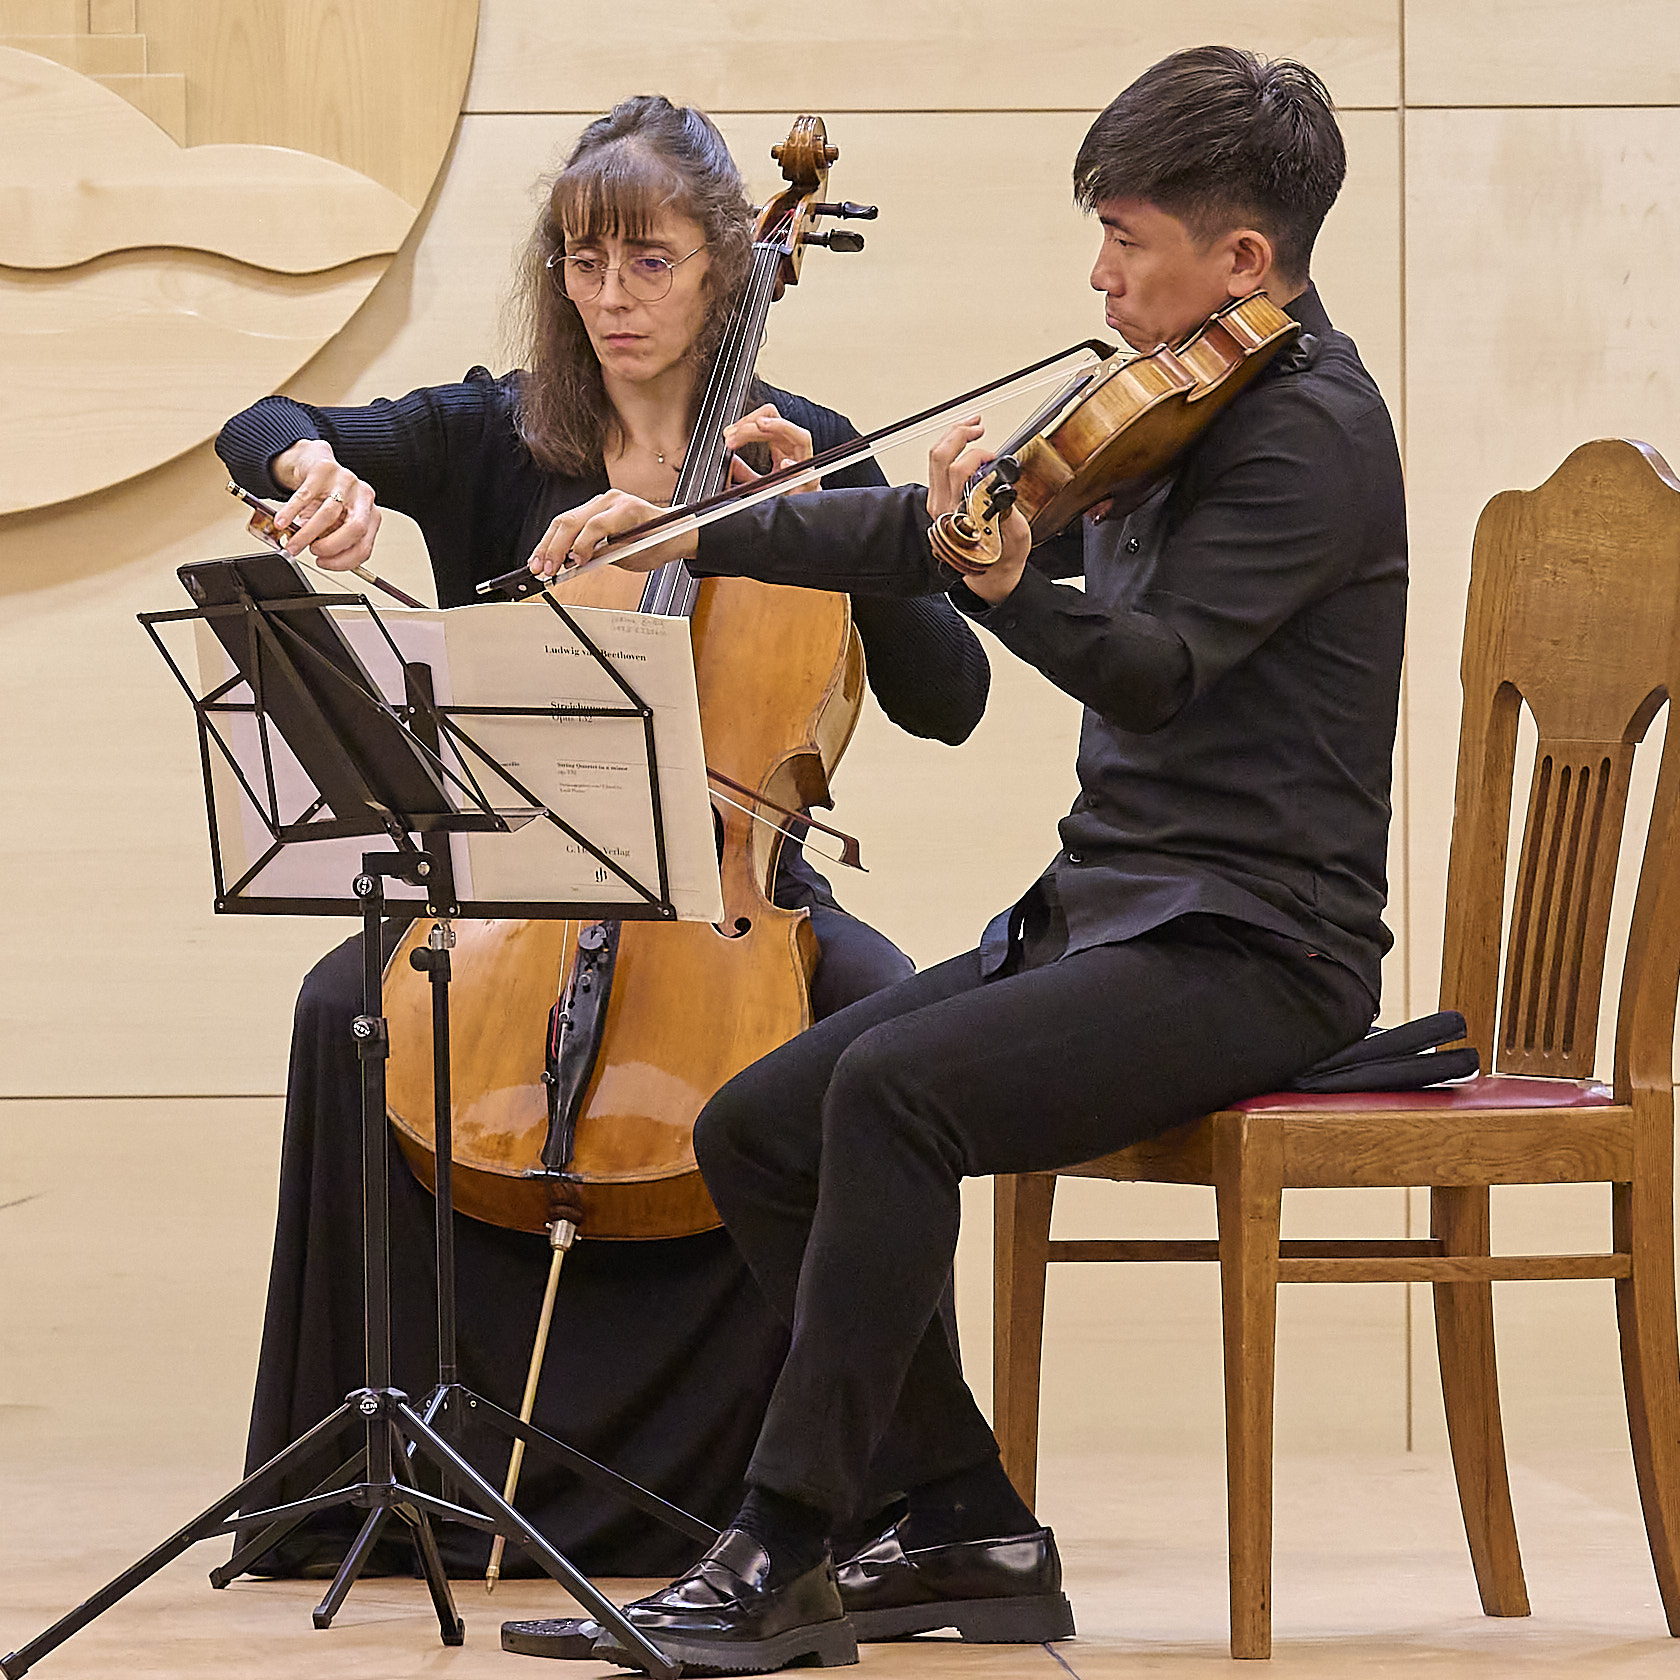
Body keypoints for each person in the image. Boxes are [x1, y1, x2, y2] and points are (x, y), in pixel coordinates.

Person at [502, 45, 1406, 1674]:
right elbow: (915, 533)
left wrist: (1006, 589)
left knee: (889, 1094)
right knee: (759, 1123)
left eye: (1125, 239)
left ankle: (781, 1549)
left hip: (1258, 946)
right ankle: (966, 1521)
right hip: (1111, 916)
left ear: (1241, 257)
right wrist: (688, 526)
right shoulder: (1168, 396)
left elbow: (1158, 670)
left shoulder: (1311, 437)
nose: (1099, 274)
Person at [212, 95, 990, 1580]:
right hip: (516, 875)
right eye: (584, 262)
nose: (613, 296)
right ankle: (372, 1473)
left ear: (726, 268)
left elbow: (948, 700)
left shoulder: (800, 444)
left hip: (735, 886)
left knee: (883, 1019)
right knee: (339, 1006)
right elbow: (261, 423)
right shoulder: (497, 431)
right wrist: (314, 475)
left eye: (651, 261)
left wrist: (830, 509)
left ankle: (861, 1490)